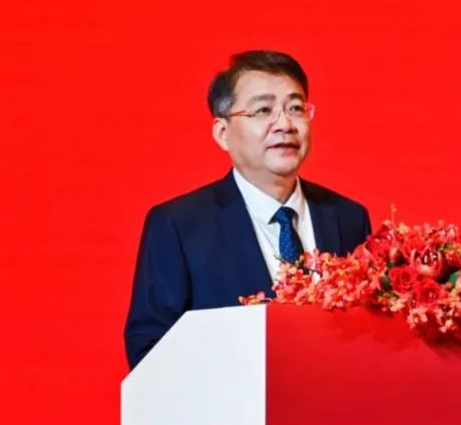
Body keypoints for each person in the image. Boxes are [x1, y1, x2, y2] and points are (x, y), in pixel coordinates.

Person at [124, 50, 372, 369]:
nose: (284, 124)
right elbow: (150, 351)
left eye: (295, 108)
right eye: (263, 110)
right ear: (222, 133)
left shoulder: (348, 218)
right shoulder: (180, 226)